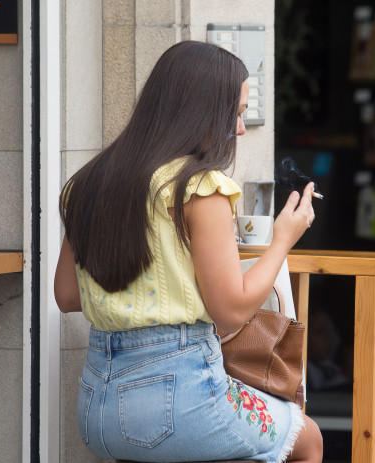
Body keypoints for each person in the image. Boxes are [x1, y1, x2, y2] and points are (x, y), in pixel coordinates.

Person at [54, 41, 322, 463]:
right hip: (176, 405)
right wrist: (284, 239)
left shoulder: (89, 182)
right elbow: (231, 311)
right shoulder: (199, 186)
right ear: (202, 111)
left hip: (96, 410)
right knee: (307, 439)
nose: (240, 129)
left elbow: (67, 297)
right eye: (236, 112)